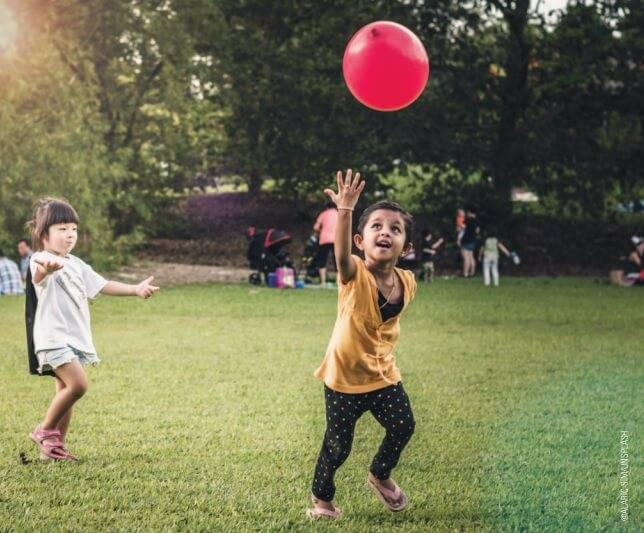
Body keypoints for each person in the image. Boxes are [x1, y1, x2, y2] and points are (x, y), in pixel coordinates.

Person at [308, 170, 417, 519]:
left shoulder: (408, 282)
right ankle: (322, 502)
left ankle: (380, 474)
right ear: (359, 240)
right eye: (377, 227)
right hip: (344, 379)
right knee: (338, 446)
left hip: (383, 375)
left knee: (403, 425)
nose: (386, 232)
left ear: (407, 247)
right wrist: (345, 209)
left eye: (395, 229)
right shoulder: (353, 275)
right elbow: (339, 257)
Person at [25, 197, 159, 461]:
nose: (70, 234)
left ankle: (54, 449)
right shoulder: (41, 258)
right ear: (43, 234)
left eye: (73, 228)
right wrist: (46, 269)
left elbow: (102, 284)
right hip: (52, 338)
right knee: (78, 385)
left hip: (72, 338)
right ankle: (44, 430)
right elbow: (37, 275)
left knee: (66, 390)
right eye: (62, 229)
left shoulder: (76, 263)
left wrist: (134, 289)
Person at [313, 202, 338, 286]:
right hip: (337, 240)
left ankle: (323, 282)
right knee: (337, 261)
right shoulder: (339, 214)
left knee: (322, 260)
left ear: (327, 208)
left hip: (324, 239)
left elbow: (316, 227)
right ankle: (338, 282)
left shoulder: (324, 214)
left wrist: (320, 232)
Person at [458, 207, 479, 278]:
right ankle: (472, 273)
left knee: (466, 258)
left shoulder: (467, 220)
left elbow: (462, 226)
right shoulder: (477, 221)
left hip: (465, 240)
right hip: (473, 240)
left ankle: (465, 274)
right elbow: (477, 231)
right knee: (471, 257)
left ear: (469, 212)